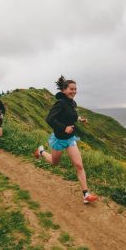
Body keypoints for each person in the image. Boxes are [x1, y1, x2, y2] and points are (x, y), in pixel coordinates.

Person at [34, 76, 98, 204]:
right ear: (64, 90)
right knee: (54, 162)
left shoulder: (72, 103)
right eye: (71, 89)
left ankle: (86, 194)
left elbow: (71, 114)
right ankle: (41, 151)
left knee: (79, 165)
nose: (74, 91)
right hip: (59, 138)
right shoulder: (60, 103)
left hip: (70, 139)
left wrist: (80, 119)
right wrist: (64, 128)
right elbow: (49, 119)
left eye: (75, 89)